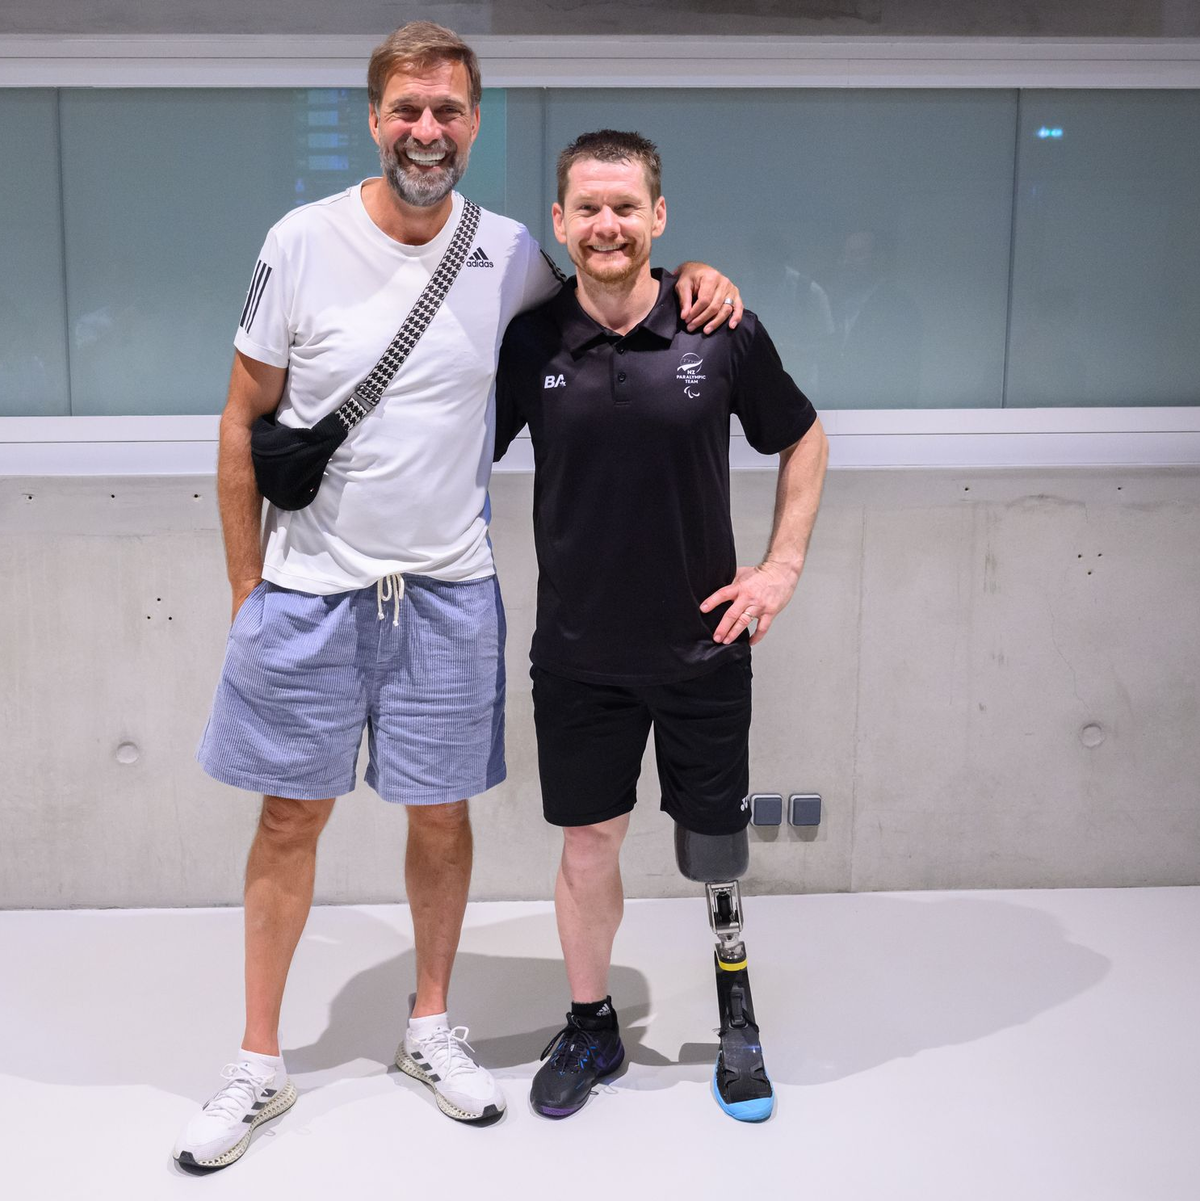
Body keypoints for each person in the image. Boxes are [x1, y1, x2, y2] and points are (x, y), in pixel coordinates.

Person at [173, 25, 743, 1171]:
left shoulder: (512, 251)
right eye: (406, 110)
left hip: (446, 593)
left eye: (447, 111)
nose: (426, 131)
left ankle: (430, 1027)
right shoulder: (302, 241)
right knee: (289, 819)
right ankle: (260, 1062)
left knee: (442, 817)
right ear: (376, 117)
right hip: (311, 590)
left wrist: (699, 278)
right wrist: (246, 582)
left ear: (474, 124)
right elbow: (242, 419)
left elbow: (614, 278)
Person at [493, 130, 829, 1120]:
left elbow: (802, 436)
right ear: (560, 223)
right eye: (588, 209)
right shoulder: (530, 342)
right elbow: (454, 450)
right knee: (588, 843)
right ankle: (591, 1024)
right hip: (580, 657)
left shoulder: (716, 327)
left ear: (658, 218)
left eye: (626, 207)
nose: (607, 225)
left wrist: (780, 568)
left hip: (704, 650)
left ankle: (736, 1011)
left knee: (714, 844)